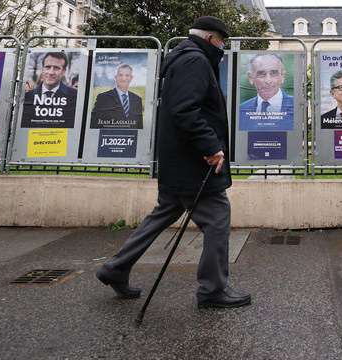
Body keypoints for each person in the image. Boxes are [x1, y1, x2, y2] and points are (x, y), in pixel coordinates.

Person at [97, 16, 250, 309]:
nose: (222, 47)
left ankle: (115, 269)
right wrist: (210, 146)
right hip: (193, 164)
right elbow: (185, 111)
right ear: (210, 39)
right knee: (217, 219)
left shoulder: (183, 57)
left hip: (178, 161)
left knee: (163, 213)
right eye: (221, 41)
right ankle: (212, 290)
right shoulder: (195, 61)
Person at [21, 52, 77, 127]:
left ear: (64, 71)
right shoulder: (27, 97)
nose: (50, 72)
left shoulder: (74, 97)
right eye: (47, 67)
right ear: (42, 69)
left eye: (56, 68)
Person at [89, 63, 144, 129]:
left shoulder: (137, 99)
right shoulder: (103, 97)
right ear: (115, 77)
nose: (124, 78)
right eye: (120, 75)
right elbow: (94, 124)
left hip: (130, 138)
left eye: (127, 75)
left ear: (131, 78)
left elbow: (139, 126)